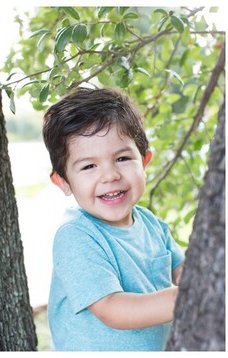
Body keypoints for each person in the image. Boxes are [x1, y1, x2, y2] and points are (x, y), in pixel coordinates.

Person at [43, 87, 185, 351]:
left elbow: (184, 270)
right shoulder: (76, 235)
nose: (110, 176)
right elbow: (112, 309)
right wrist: (186, 298)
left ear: (144, 162)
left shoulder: (151, 224)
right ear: (63, 182)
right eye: (89, 166)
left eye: (122, 158)